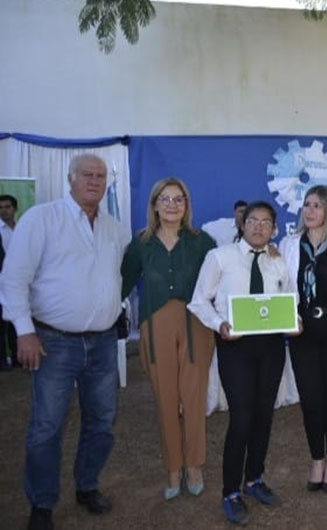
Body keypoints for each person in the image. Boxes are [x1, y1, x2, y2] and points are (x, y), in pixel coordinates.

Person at [0, 154, 129, 530]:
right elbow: (13, 278)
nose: (94, 181)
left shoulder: (114, 229)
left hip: (103, 342)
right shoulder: (40, 219)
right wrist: (24, 330)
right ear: (69, 179)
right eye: (87, 175)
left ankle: (87, 485)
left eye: (100, 176)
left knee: (102, 422)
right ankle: (42, 502)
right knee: (46, 427)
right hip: (53, 342)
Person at [189, 200, 298, 525]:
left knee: (264, 415)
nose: (259, 227)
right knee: (241, 418)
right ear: (242, 224)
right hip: (235, 347)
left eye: (266, 222)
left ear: (274, 229)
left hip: (271, 347)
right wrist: (220, 324)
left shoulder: (277, 262)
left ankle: (254, 480)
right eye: (253, 220)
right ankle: (231, 492)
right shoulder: (219, 257)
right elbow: (198, 301)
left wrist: (294, 321)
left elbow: (287, 300)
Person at [121, 178, 216, 500]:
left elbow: (225, 277)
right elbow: (121, 283)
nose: (172, 205)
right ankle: (173, 467)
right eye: (165, 199)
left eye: (179, 199)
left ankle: (194, 465)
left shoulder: (202, 241)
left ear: (187, 205)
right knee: (165, 400)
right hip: (156, 325)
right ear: (154, 204)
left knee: (192, 398)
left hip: (196, 326)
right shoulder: (141, 243)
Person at [278, 185, 327, 493]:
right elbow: (280, 283)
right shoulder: (287, 244)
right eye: (307, 204)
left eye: (318, 206)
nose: (310, 211)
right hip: (303, 331)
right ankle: (316, 459)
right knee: (310, 398)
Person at [0, 194, 18, 369]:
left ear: (14, 209)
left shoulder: (22, 228)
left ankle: (17, 357)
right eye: (1, 207)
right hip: (1, 282)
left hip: (19, 283)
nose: (4, 210)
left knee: (17, 321)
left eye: (7, 207)